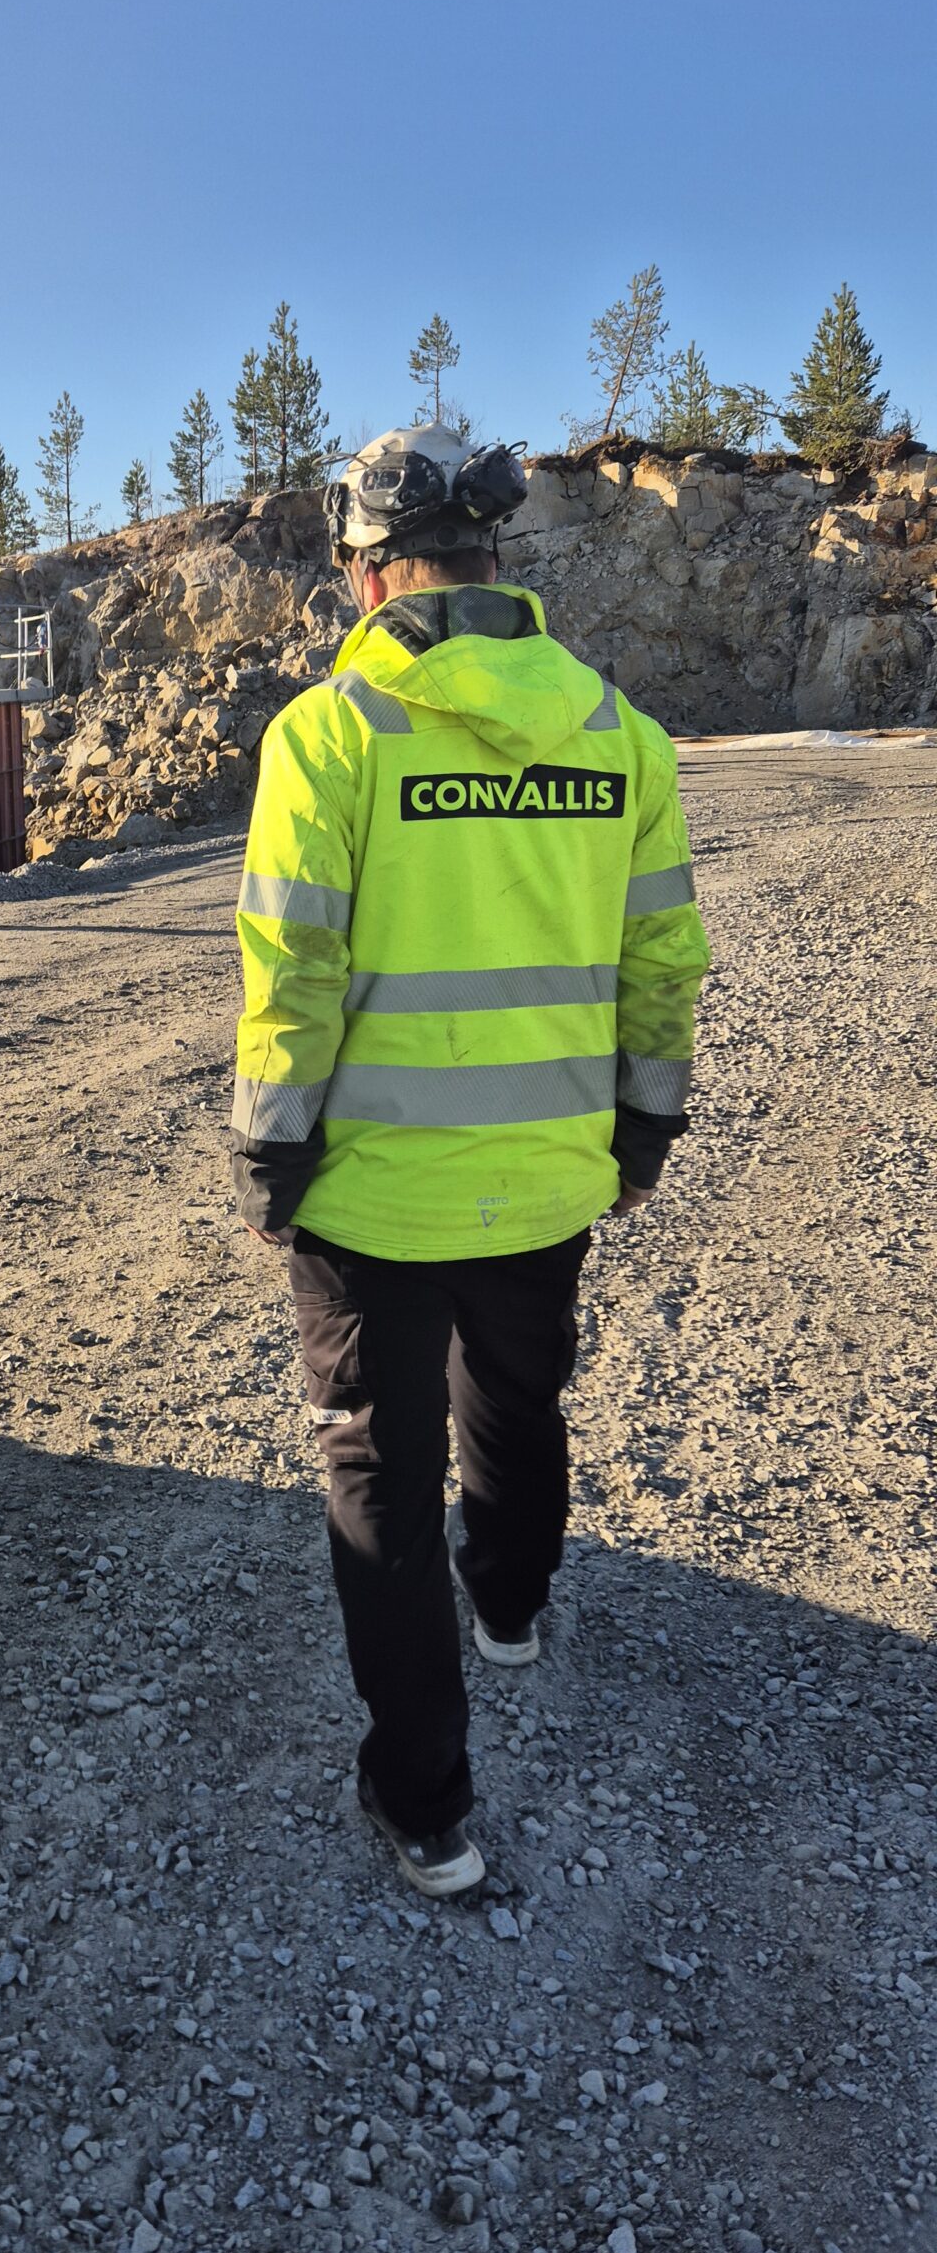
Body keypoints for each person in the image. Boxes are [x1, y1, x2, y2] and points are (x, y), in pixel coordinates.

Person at [230, 424, 710, 1898]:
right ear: (497, 559)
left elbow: (293, 970)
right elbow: (662, 956)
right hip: (549, 1173)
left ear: (370, 573)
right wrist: (645, 1125)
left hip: (375, 1192)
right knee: (514, 1392)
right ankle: (510, 1609)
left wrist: (270, 1148)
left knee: (380, 1469)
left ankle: (428, 1808)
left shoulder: (331, 735)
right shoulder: (619, 733)